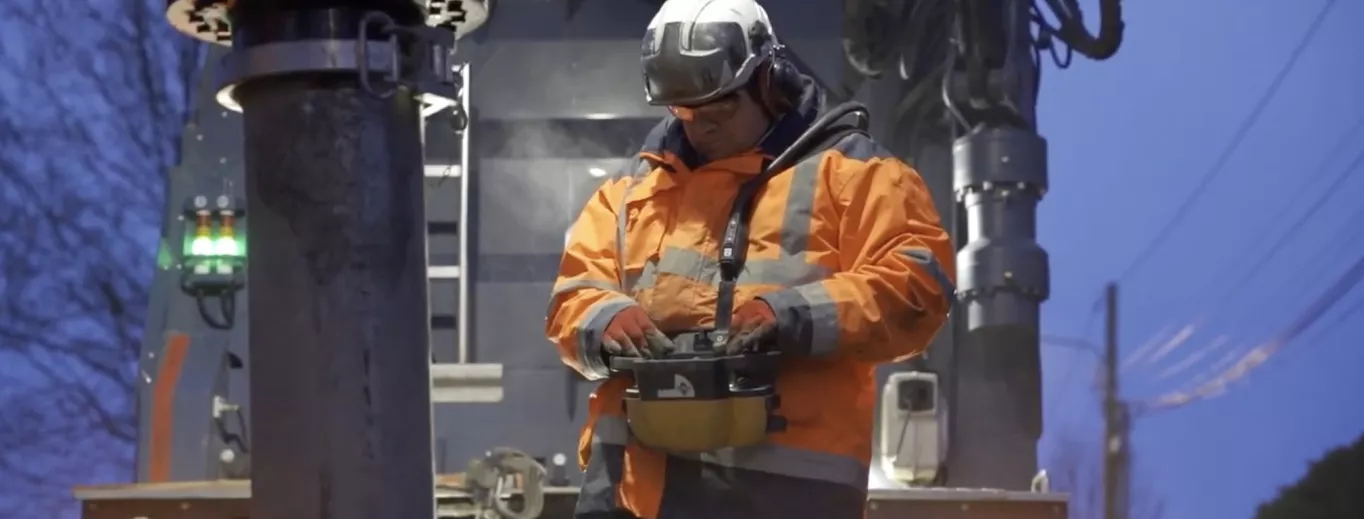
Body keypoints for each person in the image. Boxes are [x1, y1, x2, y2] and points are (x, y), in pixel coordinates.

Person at [545, 1, 955, 518]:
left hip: (783, 493)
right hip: (628, 488)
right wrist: (605, 318)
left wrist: (792, 316)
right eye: (684, 112)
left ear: (769, 81)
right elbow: (573, 294)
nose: (700, 128)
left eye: (717, 110)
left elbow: (917, 287)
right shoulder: (630, 191)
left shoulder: (857, 177)